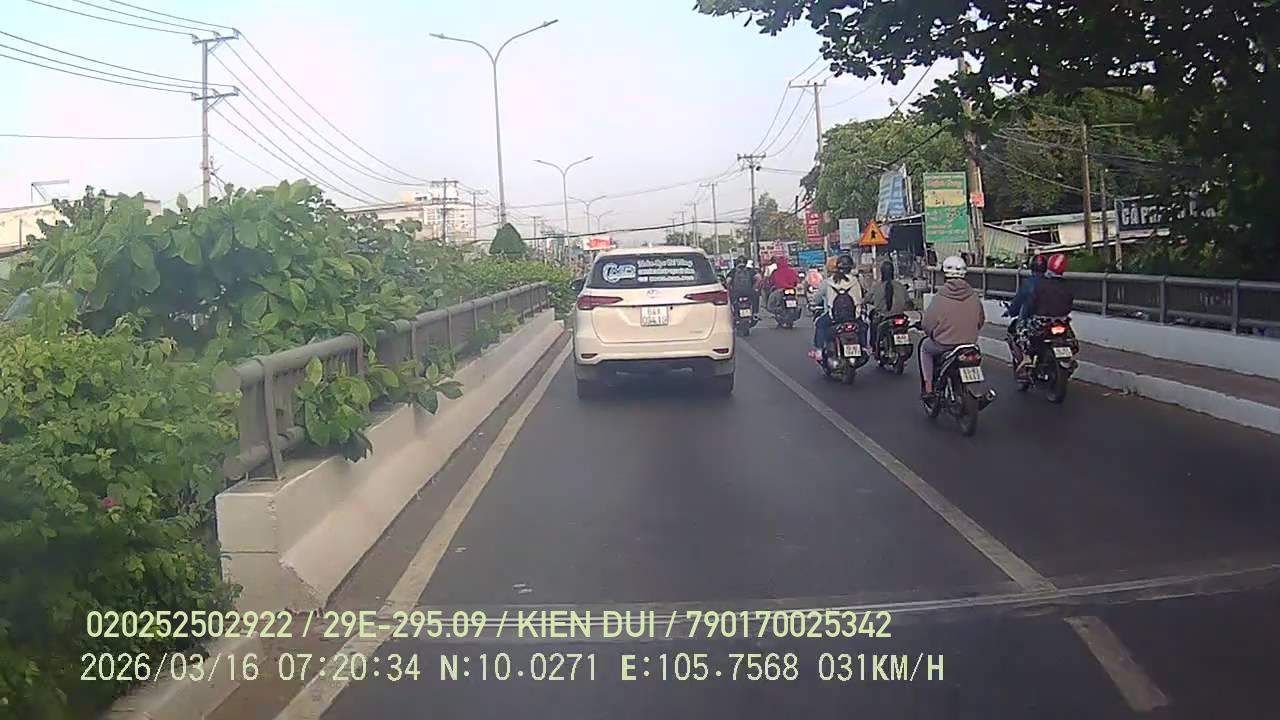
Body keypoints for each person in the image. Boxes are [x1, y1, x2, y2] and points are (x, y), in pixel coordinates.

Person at [919, 255, 985, 398]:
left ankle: (928, 386)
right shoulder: (974, 296)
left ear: (945, 275)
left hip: (945, 345)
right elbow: (980, 321)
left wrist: (932, 333)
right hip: (970, 344)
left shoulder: (940, 297)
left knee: (925, 347)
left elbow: (927, 324)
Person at [1014, 253, 1075, 376]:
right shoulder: (1067, 286)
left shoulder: (1040, 285)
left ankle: (1026, 357)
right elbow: (1069, 305)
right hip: (1062, 321)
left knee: (1020, 330)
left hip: (1042, 322)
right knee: (1071, 340)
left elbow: (1031, 304)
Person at [809, 254, 863, 361]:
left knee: (820, 324)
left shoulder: (828, 282)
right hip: (854, 316)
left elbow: (817, 298)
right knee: (863, 326)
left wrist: (813, 303)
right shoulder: (855, 281)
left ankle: (819, 350)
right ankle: (865, 347)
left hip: (833, 317)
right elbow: (860, 297)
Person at [1003, 254, 1047, 367]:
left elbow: (1018, 301)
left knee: (1018, 331)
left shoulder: (1029, 283)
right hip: (1051, 320)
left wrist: (1011, 311)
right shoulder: (1050, 282)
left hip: (1034, 321)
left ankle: (1026, 357)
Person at [865, 259, 911, 348]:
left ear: (882, 273)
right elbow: (908, 302)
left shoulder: (876, 287)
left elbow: (867, 299)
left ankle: (874, 347)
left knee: (873, 323)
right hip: (900, 316)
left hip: (884, 318)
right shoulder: (900, 286)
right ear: (892, 272)